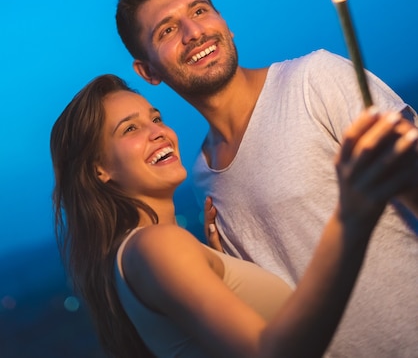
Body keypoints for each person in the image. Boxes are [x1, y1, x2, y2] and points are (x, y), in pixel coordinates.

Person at [115, 0, 418, 357]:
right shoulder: (202, 177)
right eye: (168, 30)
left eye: (199, 11)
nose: (194, 32)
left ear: (224, 21)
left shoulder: (315, 79)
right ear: (148, 71)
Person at [50, 73, 418, 358]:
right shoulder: (155, 245)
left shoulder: (145, 252)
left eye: (156, 118)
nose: (158, 133)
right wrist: (350, 219)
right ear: (100, 169)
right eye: (130, 129)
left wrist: (222, 268)